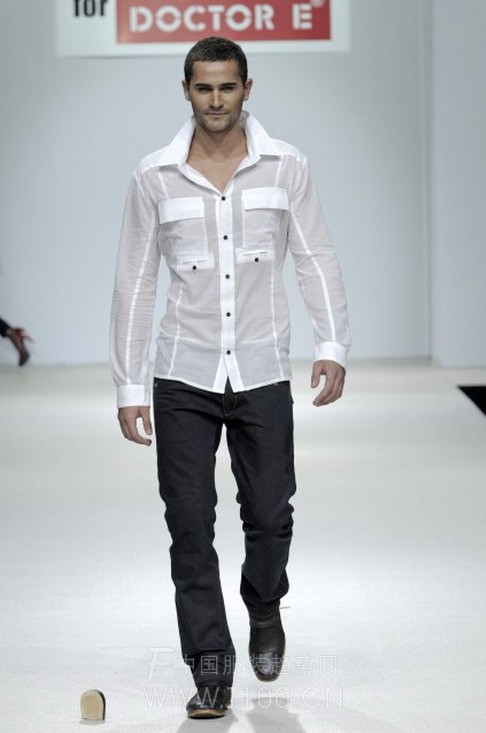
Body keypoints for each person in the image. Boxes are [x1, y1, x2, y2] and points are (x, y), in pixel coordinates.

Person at [110, 36, 350, 720]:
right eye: (203, 87)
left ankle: (265, 604)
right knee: (189, 524)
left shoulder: (286, 166)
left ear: (247, 87)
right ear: (185, 90)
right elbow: (134, 282)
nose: (215, 100)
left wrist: (332, 341)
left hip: (261, 368)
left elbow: (315, 256)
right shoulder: (154, 176)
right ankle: (210, 666)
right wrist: (130, 385)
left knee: (270, 514)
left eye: (227, 86)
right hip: (181, 372)